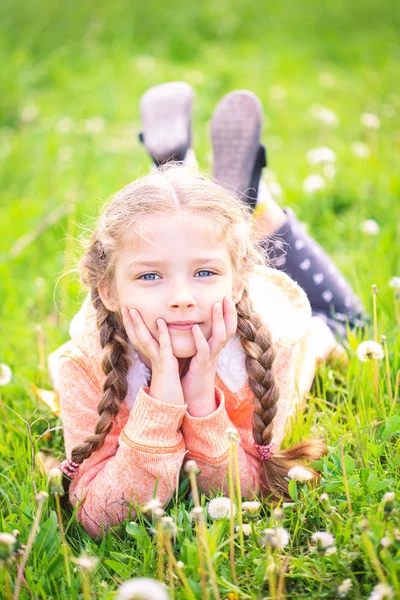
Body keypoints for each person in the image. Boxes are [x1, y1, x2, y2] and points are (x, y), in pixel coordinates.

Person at [46, 84, 366, 540]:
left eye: (203, 276)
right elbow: (99, 516)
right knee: (190, 232)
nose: (181, 298)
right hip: (219, 264)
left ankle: (241, 196)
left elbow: (247, 492)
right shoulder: (85, 364)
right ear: (109, 292)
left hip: (308, 326)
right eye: (150, 277)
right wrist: (161, 402)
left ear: (237, 284)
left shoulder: (270, 344)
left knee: (350, 327)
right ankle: (198, 183)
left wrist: (201, 400)